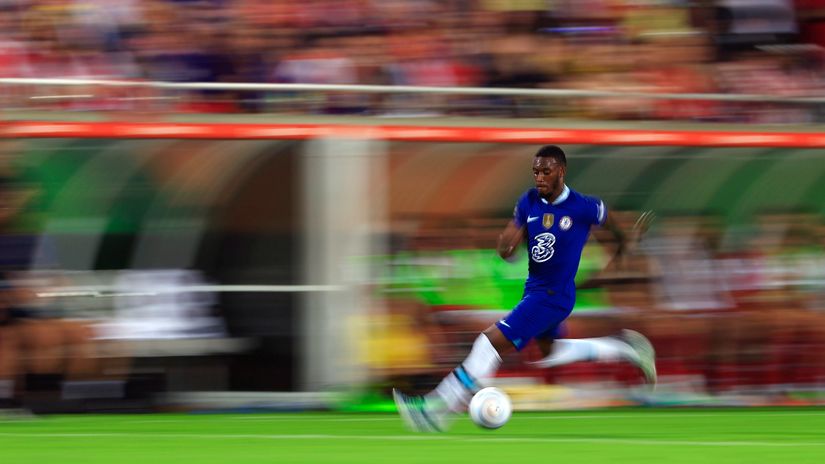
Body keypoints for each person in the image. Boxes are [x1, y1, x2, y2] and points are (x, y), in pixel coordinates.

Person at [393, 145, 657, 432]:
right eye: (536, 172)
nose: (539, 177)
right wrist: (507, 246)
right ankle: (625, 348)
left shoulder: (583, 206)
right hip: (535, 291)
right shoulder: (529, 200)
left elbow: (615, 226)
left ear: (561, 171)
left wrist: (624, 246)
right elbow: (510, 242)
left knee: (487, 344)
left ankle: (435, 410)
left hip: (552, 297)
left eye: (546, 171)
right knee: (550, 353)